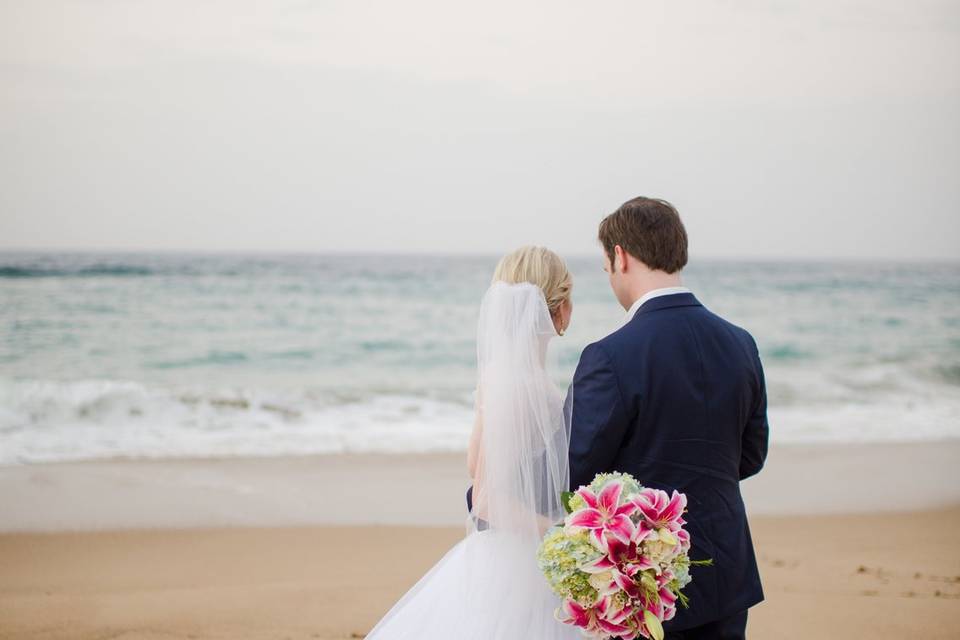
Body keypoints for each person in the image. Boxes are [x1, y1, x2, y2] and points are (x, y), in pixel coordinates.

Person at [565, 196, 769, 639]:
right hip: (728, 573)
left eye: (605, 267)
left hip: (644, 585)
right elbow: (750, 457)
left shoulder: (609, 356)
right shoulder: (741, 344)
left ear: (620, 256)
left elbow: (574, 472)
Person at [365, 245, 581, 639]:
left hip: (499, 553)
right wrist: (563, 531)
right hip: (519, 560)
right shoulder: (526, 386)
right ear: (560, 305)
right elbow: (485, 498)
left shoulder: (498, 375)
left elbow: (473, 463)